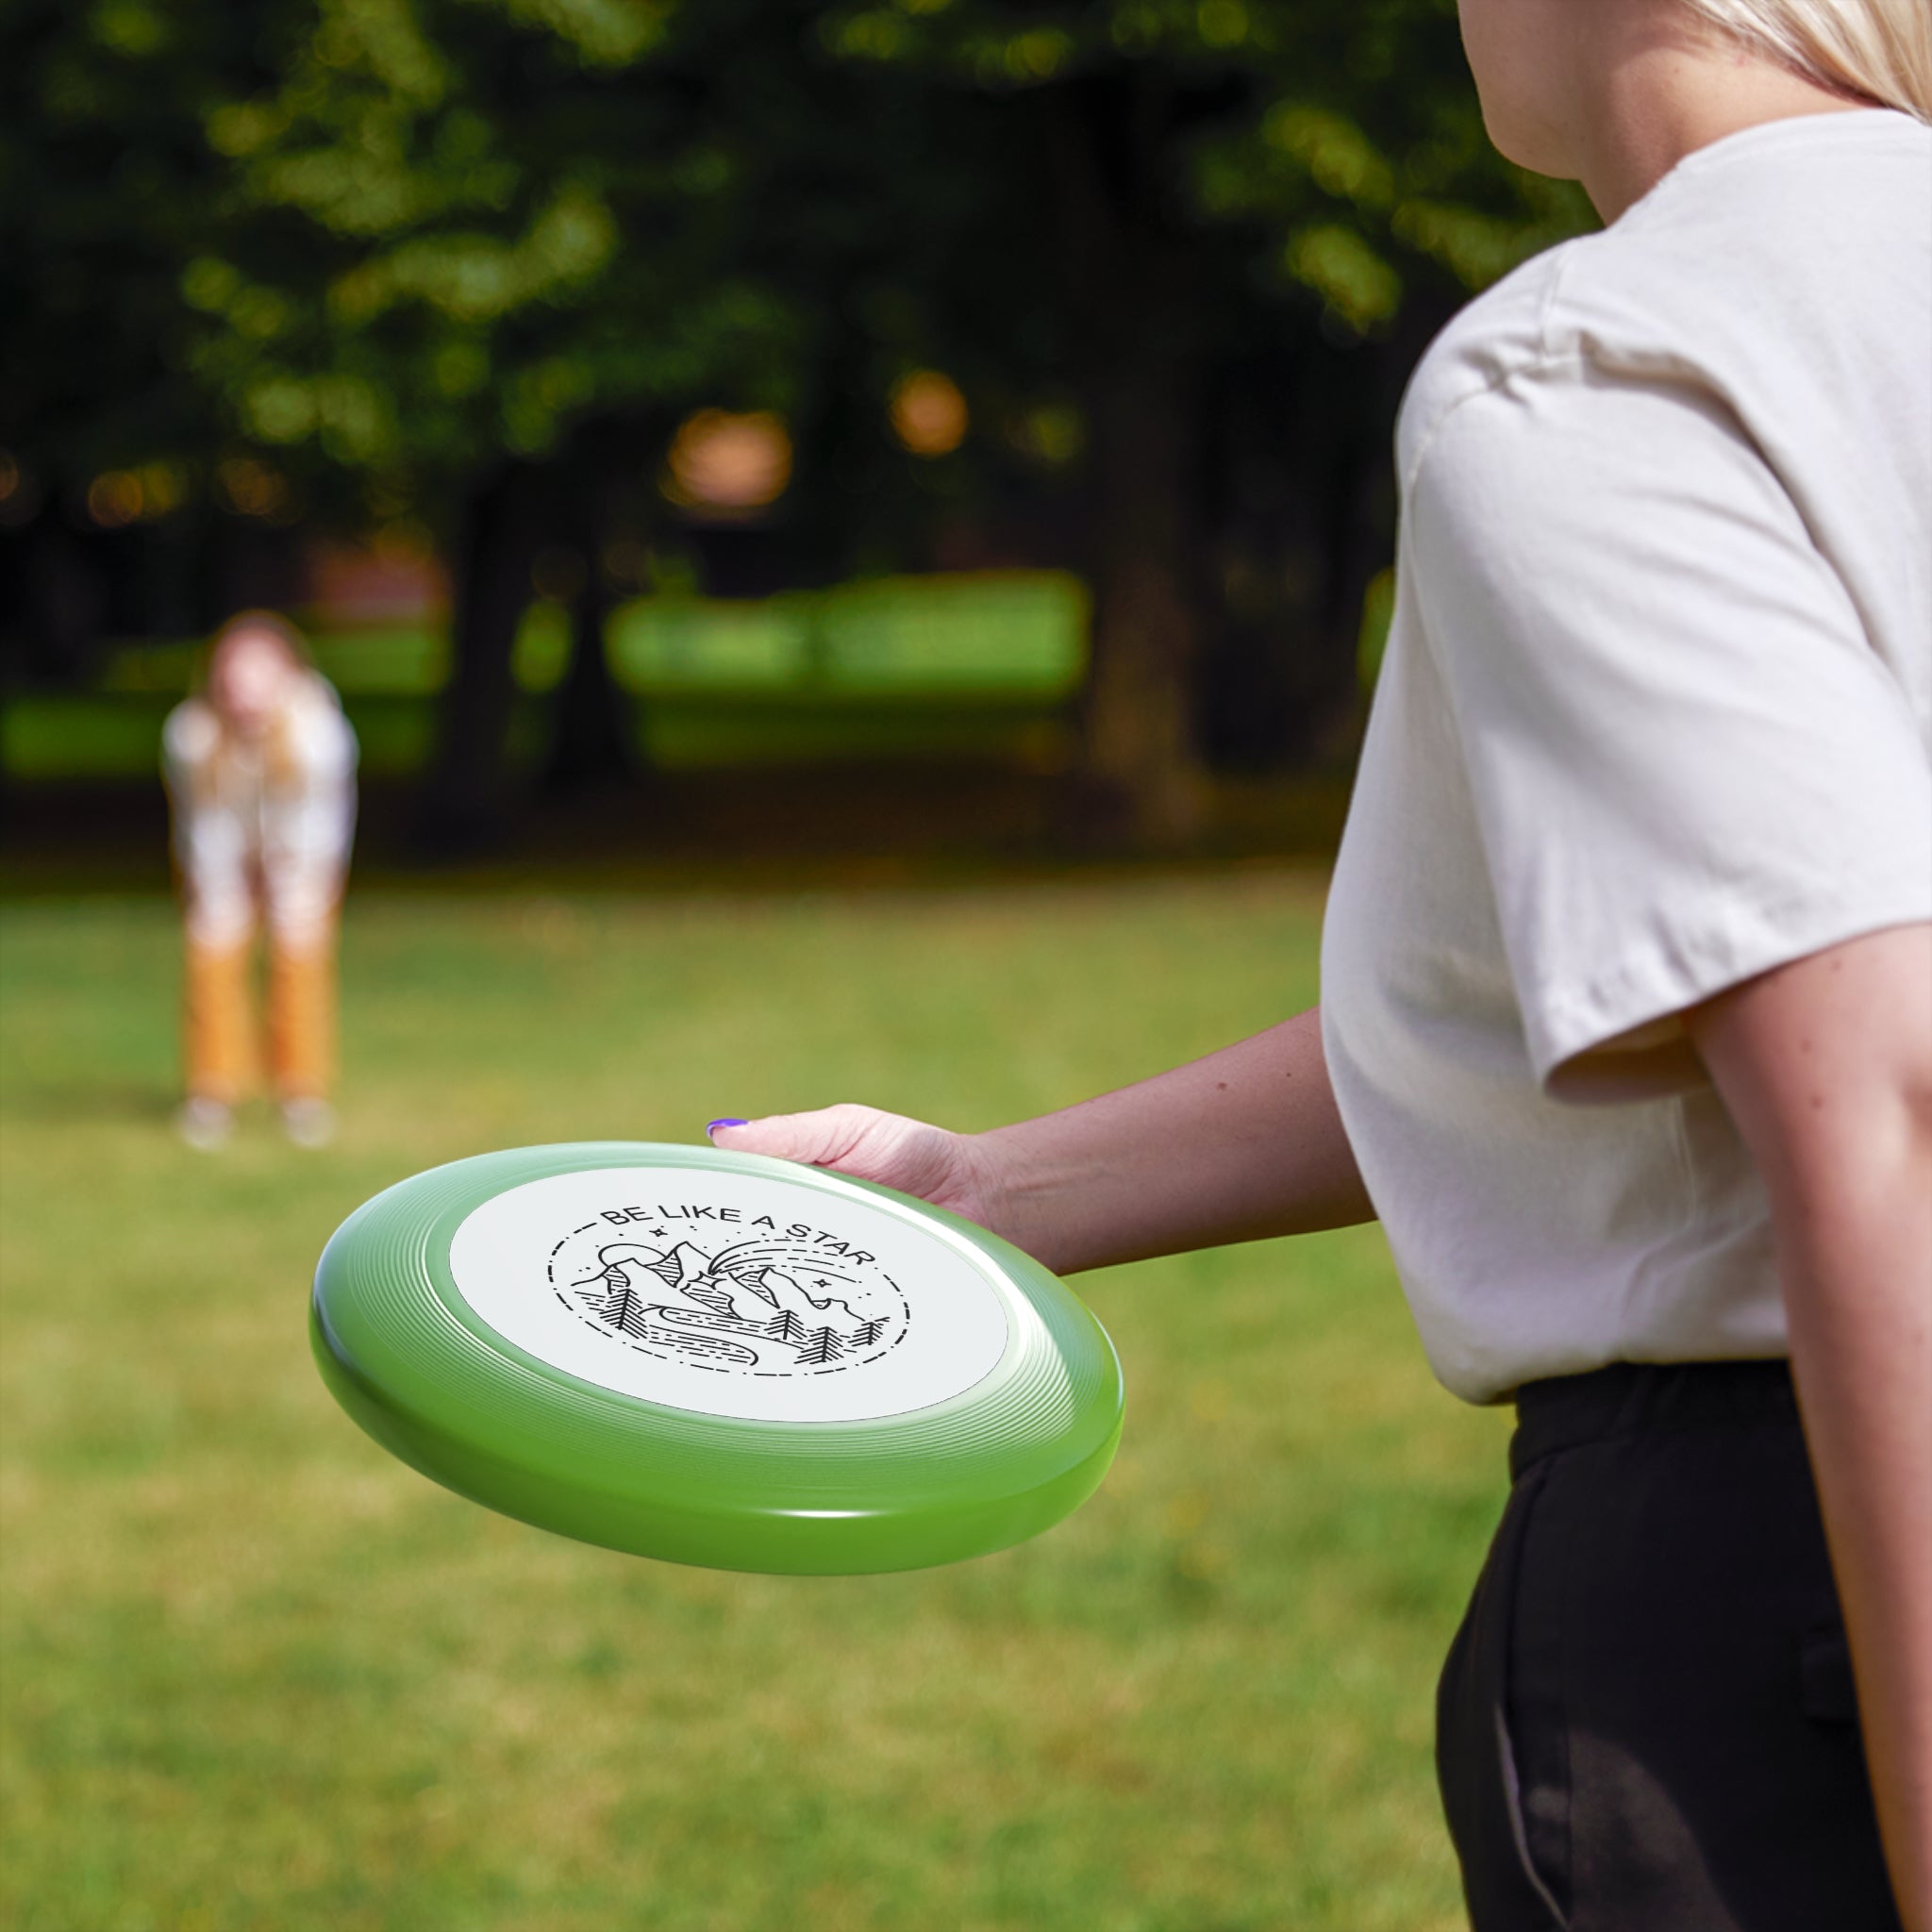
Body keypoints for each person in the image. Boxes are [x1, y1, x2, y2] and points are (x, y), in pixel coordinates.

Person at [706, 2, 1932, 1925]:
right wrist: (987, 1188)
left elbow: (1885, 1100)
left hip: (1795, 1592)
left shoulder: (1609, 361)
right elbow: (1633, 989)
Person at [162, 611, 358, 1150]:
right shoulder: (191, 735)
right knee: (212, 953)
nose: (244, 690)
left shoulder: (319, 734)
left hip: (302, 858)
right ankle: (212, 1091)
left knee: (299, 959)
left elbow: (318, 824)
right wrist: (224, 888)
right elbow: (204, 824)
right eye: (234, 675)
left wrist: (288, 881)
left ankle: (301, 1092)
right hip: (221, 857)